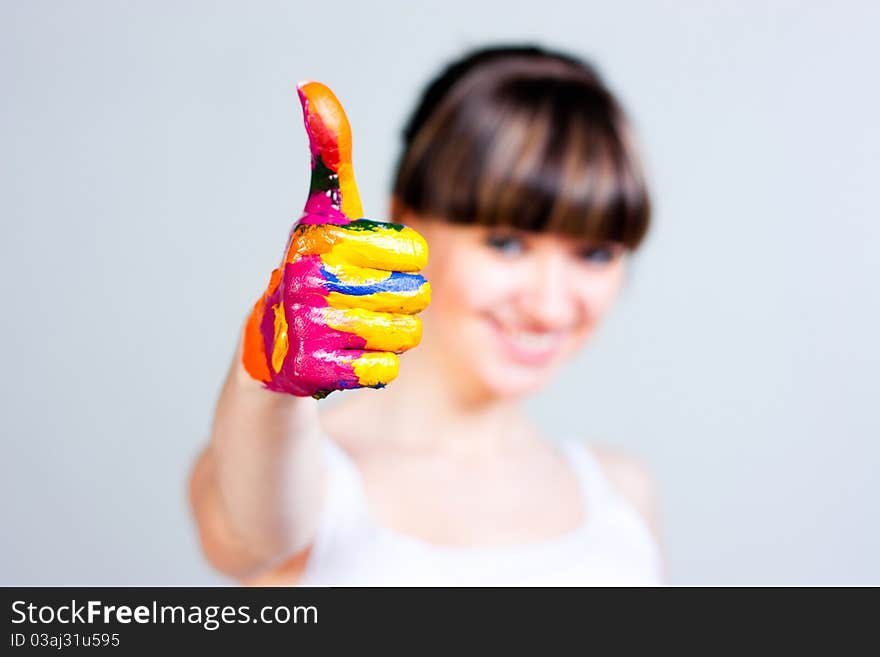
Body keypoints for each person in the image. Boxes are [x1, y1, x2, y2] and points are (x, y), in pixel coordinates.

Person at [189, 44, 665, 585]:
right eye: (506, 243)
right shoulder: (301, 475)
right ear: (405, 219)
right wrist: (267, 373)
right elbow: (249, 534)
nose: (549, 305)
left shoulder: (623, 494)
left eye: (595, 253)